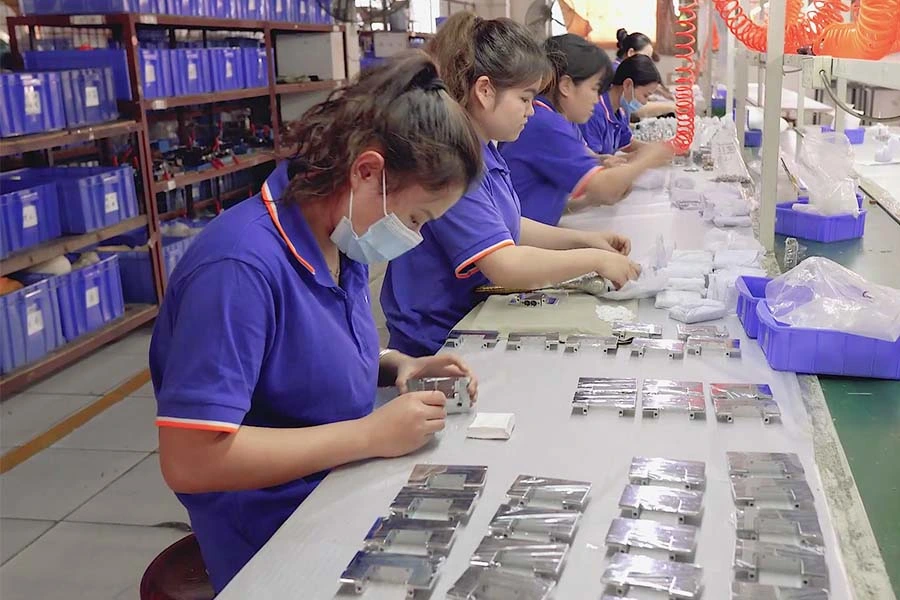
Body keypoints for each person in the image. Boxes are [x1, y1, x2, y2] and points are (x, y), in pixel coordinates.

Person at [149, 52, 485, 593]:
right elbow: (190, 460)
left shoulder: (336, 236)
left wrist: (395, 365)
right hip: (270, 534)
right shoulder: (239, 269)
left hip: (337, 487)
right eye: (417, 218)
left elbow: (291, 357)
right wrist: (368, 434)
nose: (415, 236)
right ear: (368, 171)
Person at [380, 15, 642, 358]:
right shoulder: (453, 162)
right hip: (438, 343)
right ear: (485, 91)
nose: (532, 112)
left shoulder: (486, 148)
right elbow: (505, 263)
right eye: (525, 99)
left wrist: (582, 240)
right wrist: (592, 260)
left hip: (472, 321)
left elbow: (507, 226)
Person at [500, 34, 673, 226]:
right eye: (594, 89)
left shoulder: (560, 119)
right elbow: (606, 188)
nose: (597, 99)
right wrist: (653, 155)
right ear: (566, 86)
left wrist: (593, 189)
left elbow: (550, 204)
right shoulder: (545, 123)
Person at [580, 54, 672, 156]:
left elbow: (626, 142)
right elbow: (592, 163)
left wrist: (660, 150)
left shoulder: (621, 111)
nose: (645, 102)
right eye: (645, 95)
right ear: (628, 85)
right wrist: (640, 159)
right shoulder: (594, 112)